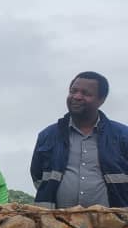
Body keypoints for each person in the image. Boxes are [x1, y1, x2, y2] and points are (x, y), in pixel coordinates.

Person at [31, 72, 128, 208]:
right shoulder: (47, 135)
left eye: (86, 93)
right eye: (73, 91)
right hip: (55, 223)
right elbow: (37, 176)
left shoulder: (123, 136)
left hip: (113, 225)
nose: (76, 97)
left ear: (102, 99)